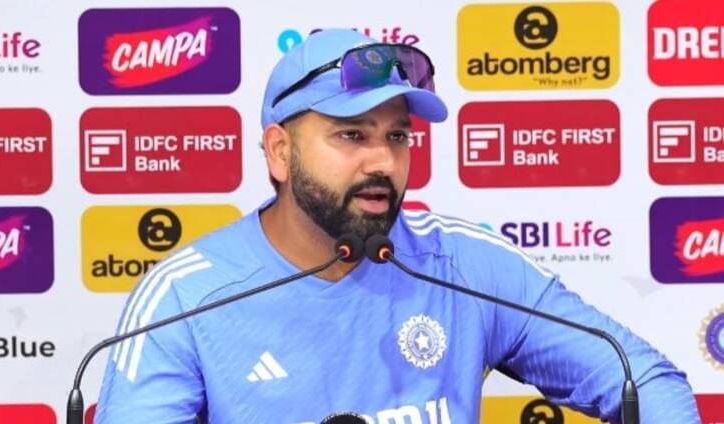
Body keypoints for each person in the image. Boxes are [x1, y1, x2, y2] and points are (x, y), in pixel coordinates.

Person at [95, 29, 701, 423]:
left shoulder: (463, 264)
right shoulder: (187, 296)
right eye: (351, 135)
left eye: (398, 136)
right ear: (280, 152)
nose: (383, 161)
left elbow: (645, 380)